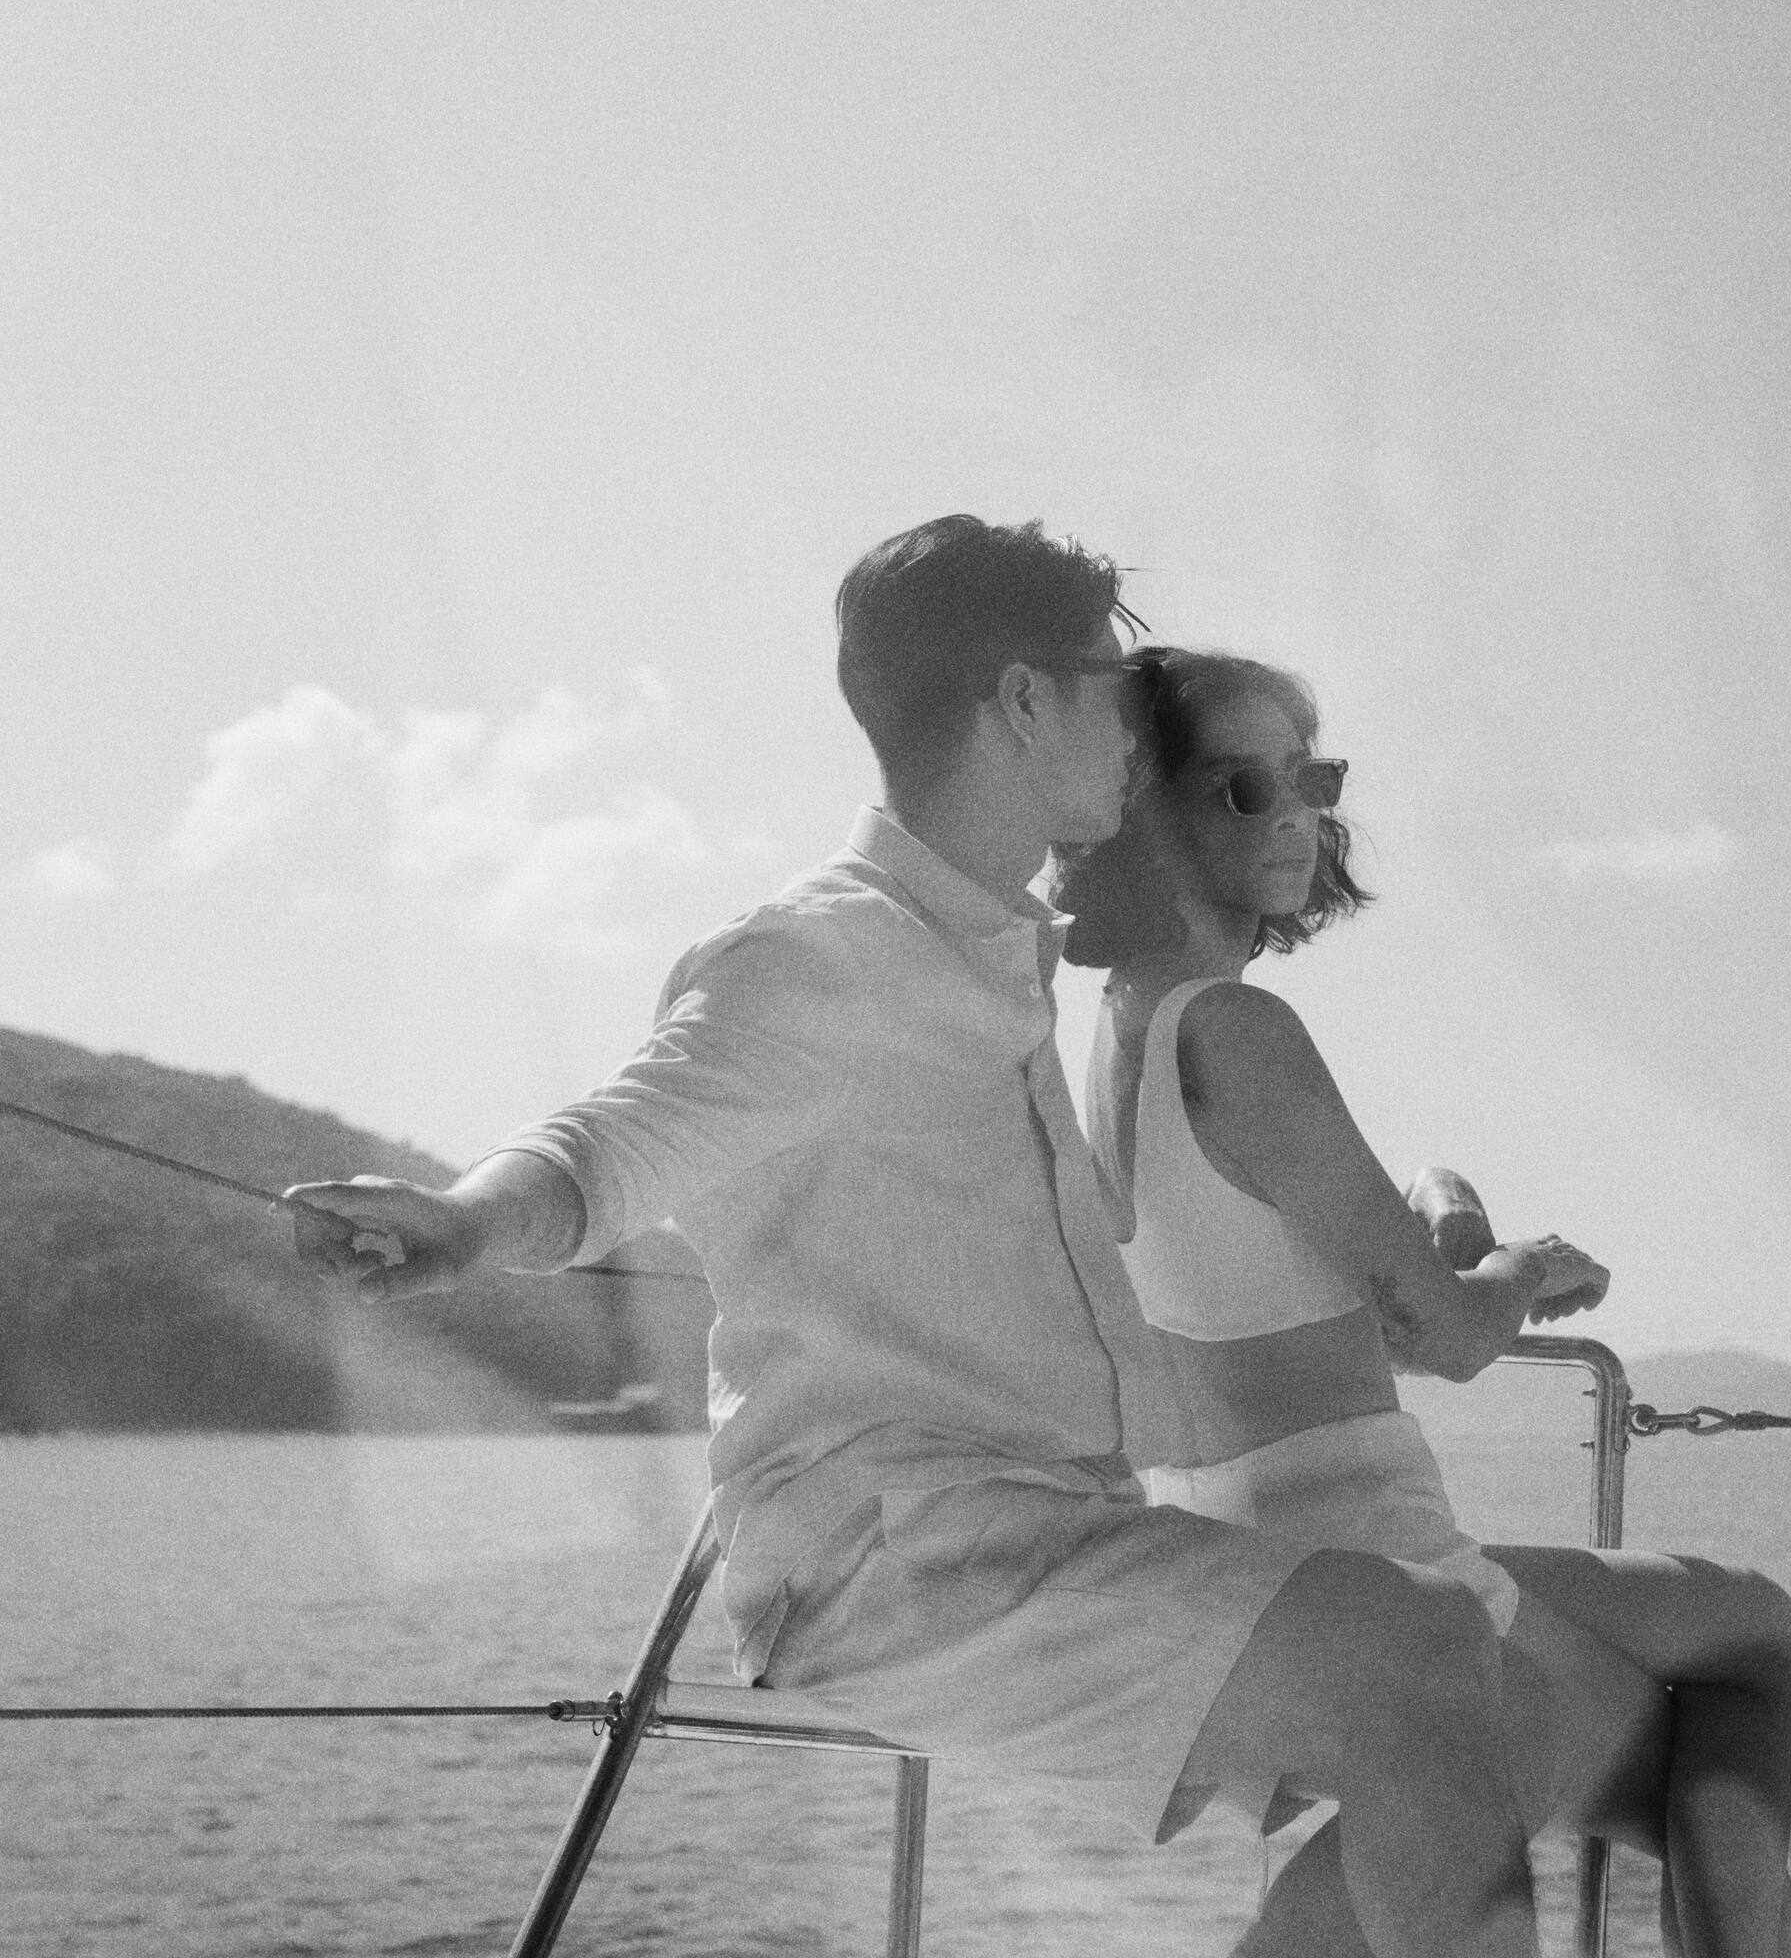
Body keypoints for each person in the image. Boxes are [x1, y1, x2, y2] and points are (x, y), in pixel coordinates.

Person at [292, 516, 1556, 1958]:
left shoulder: (992, 958)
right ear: (1023, 702)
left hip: (1033, 1526)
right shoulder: (823, 954)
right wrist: (463, 1223)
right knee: (1421, 1657)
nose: (1133, 727)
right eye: (1112, 686)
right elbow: (620, 1132)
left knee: (1422, 1693)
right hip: (899, 1561)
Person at [1053, 645, 1791, 1957]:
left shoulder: (1128, 1030)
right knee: (1750, 1653)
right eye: (1244, 788)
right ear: (1143, 808)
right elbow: (1449, 1340)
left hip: (1246, 1558)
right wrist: (1532, 1265)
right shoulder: (1239, 1033)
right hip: (1367, 1568)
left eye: (1311, 779)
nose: (1296, 816)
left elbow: (1270, 1281)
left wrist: (1436, 1191)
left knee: (1697, 1715)